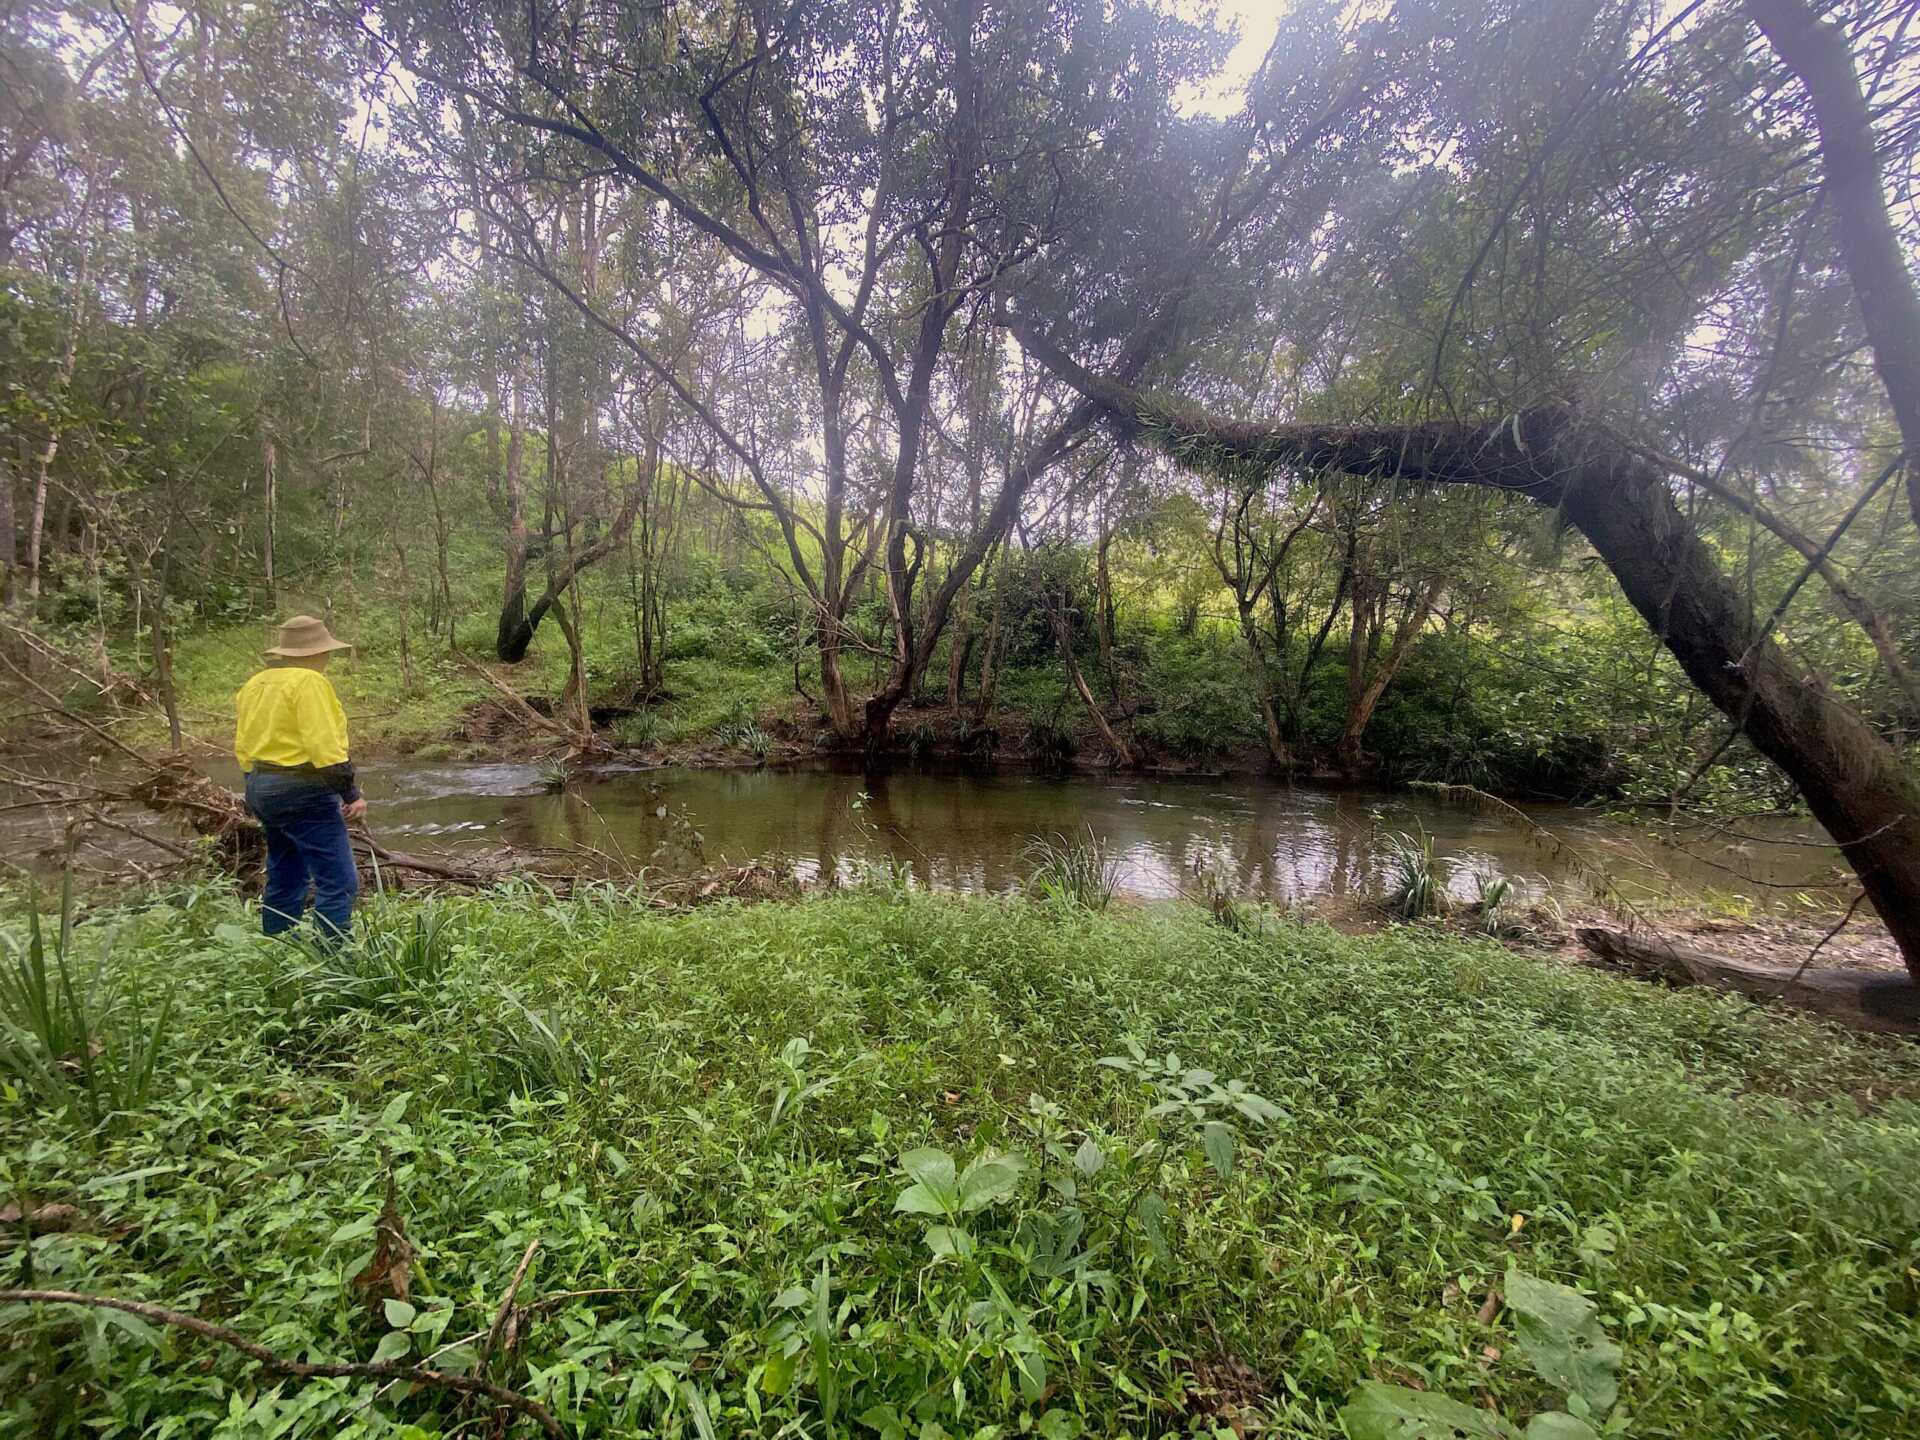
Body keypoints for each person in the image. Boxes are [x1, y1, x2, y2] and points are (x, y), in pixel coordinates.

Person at [234, 615, 366, 944]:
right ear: (316, 653)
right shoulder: (309, 682)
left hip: (260, 784)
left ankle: (278, 949)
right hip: (303, 789)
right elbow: (324, 747)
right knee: (339, 881)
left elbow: (243, 745)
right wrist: (351, 795)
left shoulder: (256, 684)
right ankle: (336, 961)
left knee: (286, 871)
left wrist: (256, 786)